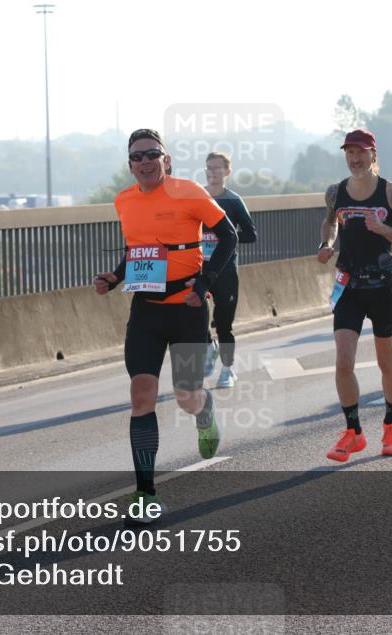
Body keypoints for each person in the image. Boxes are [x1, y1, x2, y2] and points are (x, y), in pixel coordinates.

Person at [94, 129, 237, 521]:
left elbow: (228, 236)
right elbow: (139, 252)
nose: (144, 162)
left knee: (186, 397)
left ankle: (204, 410)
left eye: (151, 155)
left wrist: (204, 283)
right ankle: (145, 493)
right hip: (147, 311)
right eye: (137, 157)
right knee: (141, 397)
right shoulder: (124, 200)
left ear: (166, 159)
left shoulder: (189, 191)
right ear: (130, 165)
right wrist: (115, 277)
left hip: (189, 308)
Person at [317, 129, 392, 462]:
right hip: (348, 285)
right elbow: (329, 222)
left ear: (373, 155)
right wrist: (326, 244)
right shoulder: (336, 192)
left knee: (384, 361)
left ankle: (391, 424)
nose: (355, 158)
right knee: (343, 361)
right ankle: (353, 432)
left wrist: (383, 229)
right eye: (349, 153)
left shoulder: (391, 192)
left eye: (361, 152)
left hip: (382, 285)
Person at [201, 152, 257, 388]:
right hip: (199, 267)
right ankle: (208, 347)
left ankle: (228, 369)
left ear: (227, 172)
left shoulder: (233, 200)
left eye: (217, 168)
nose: (213, 172)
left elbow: (251, 234)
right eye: (209, 168)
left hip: (225, 270)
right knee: (194, 317)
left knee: (224, 323)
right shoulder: (197, 197)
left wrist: (226, 237)